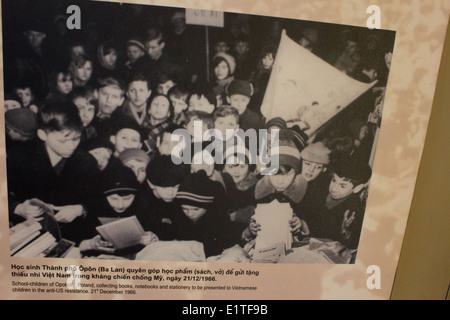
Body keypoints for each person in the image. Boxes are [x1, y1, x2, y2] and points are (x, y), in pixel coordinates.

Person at [6, 100, 100, 243]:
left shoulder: (87, 162)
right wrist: (17, 208)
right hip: (29, 236)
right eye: (63, 141)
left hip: (74, 238)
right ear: (42, 134)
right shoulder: (19, 156)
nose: (71, 146)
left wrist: (80, 209)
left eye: (76, 139)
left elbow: (98, 199)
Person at [79, 164, 158, 255]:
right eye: (114, 199)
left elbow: (161, 234)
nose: (120, 205)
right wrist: (90, 244)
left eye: (127, 199)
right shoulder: (93, 209)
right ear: (104, 196)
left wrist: (153, 238)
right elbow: (73, 243)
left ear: (136, 195)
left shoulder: (145, 207)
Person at [297, 158, 372, 250]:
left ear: (358, 188)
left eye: (342, 186)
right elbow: (301, 209)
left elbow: (351, 244)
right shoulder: (320, 189)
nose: (333, 188)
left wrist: (345, 232)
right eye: (333, 180)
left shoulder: (353, 211)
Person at [173, 170, 246, 257]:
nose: (189, 213)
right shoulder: (176, 218)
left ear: (207, 206)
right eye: (184, 209)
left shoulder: (217, 220)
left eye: (195, 209)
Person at [144, 154, 190, 240]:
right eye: (164, 187)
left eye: (176, 187)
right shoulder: (143, 204)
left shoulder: (183, 200)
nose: (171, 193)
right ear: (151, 184)